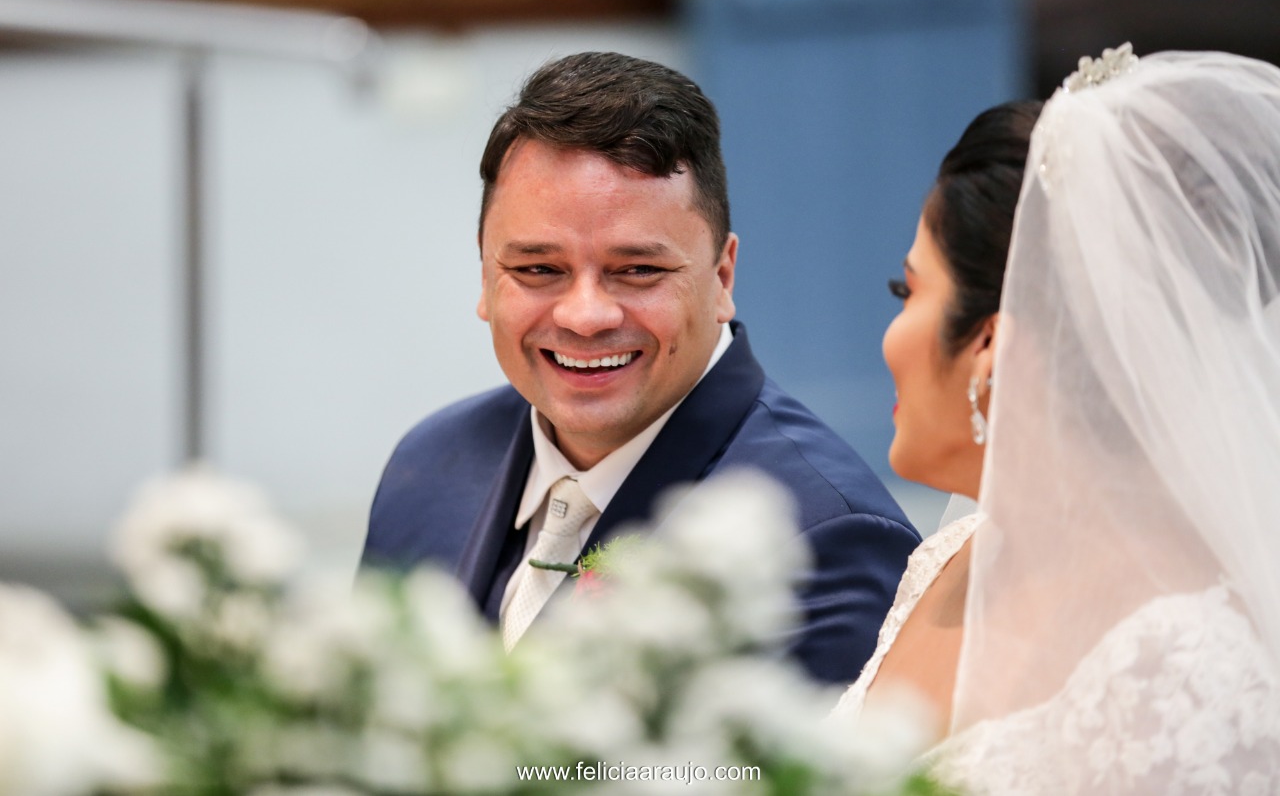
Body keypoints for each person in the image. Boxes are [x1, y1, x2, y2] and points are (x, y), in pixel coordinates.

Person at [362, 51, 919, 684]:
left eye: (637, 271)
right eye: (538, 269)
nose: (585, 316)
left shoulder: (822, 543)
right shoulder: (429, 465)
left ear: (722, 277)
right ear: (486, 276)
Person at [833, 45, 1280, 791]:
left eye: (908, 292)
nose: (887, 335)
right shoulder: (947, 560)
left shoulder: (1188, 664)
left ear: (991, 345)